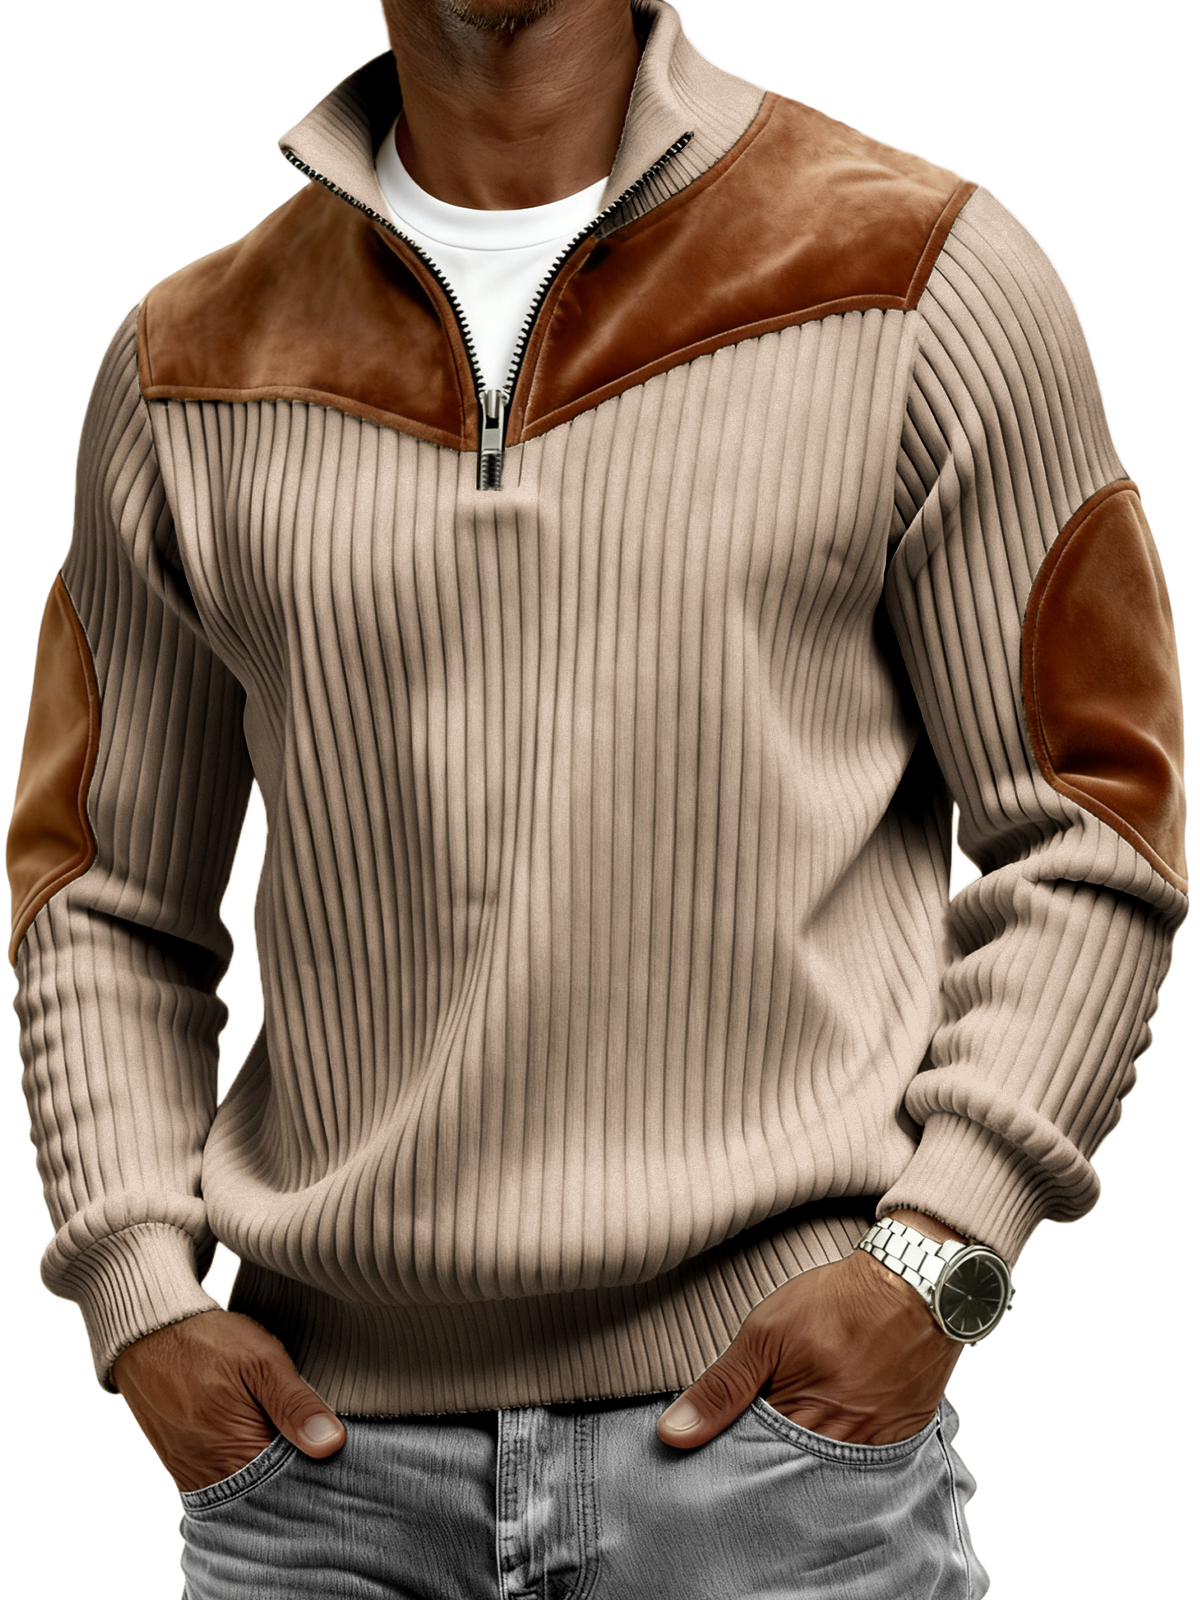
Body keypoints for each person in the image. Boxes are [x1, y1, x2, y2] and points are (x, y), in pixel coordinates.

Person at [7, 0, 1186, 1594]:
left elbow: (1093, 813)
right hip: (325, 1490)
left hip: (776, 1479)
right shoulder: (187, 367)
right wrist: (140, 1297)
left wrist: (939, 1261)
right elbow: (99, 893)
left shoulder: (916, 278)